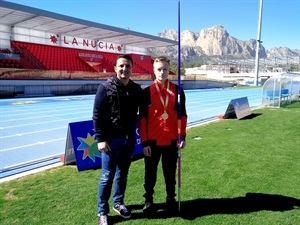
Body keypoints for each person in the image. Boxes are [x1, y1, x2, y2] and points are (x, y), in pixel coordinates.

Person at [93, 54, 142, 225]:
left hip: (128, 142)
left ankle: (118, 203)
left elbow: (145, 113)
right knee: (107, 176)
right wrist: (101, 139)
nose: (124, 69)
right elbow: (97, 115)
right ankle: (102, 211)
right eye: (121, 66)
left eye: (128, 66)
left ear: (132, 69)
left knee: (123, 175)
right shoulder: (104, 88)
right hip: (111, 141)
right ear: (115, 68)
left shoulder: (136, 89)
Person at [138, 56, 187, 215]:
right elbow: (143, 119)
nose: (162, 72)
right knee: (150, 173)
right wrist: (144, 143)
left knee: (170, 172)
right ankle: (148, 200)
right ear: (154, 70)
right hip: (152, 141)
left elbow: (183, 116)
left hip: (172, 140)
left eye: (165, 69)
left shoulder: (178, 91)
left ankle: (170, 198)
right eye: (159, 69)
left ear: (169, 70)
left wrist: (182, 137)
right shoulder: (146, 92)